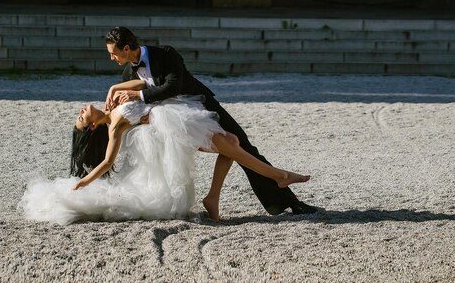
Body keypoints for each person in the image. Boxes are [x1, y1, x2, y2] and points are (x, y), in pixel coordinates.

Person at [104, 27, 319, 215]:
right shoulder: (127, 73)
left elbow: (174, 86)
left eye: (113, 53)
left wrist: (140, 96)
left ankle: (289, 202)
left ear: (126, 48)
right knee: (233, 146)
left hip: (203, 105)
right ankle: (272, 190)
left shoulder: (166, 54)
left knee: (242, 145)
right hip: (180, 121)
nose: (111, 58)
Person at [18, 93, 309, 225]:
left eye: (80, 114)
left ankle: (213, 199)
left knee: (231, 143)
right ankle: (278, 175)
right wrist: (84, 181)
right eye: (82, 119)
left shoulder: (113, 103)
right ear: (93, 126)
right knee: (229, 144)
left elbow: (138, 85)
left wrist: (116, 91)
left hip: (175, 116)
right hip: (173, 126)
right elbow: (107, 162)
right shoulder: (115, 128)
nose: (82, 111)